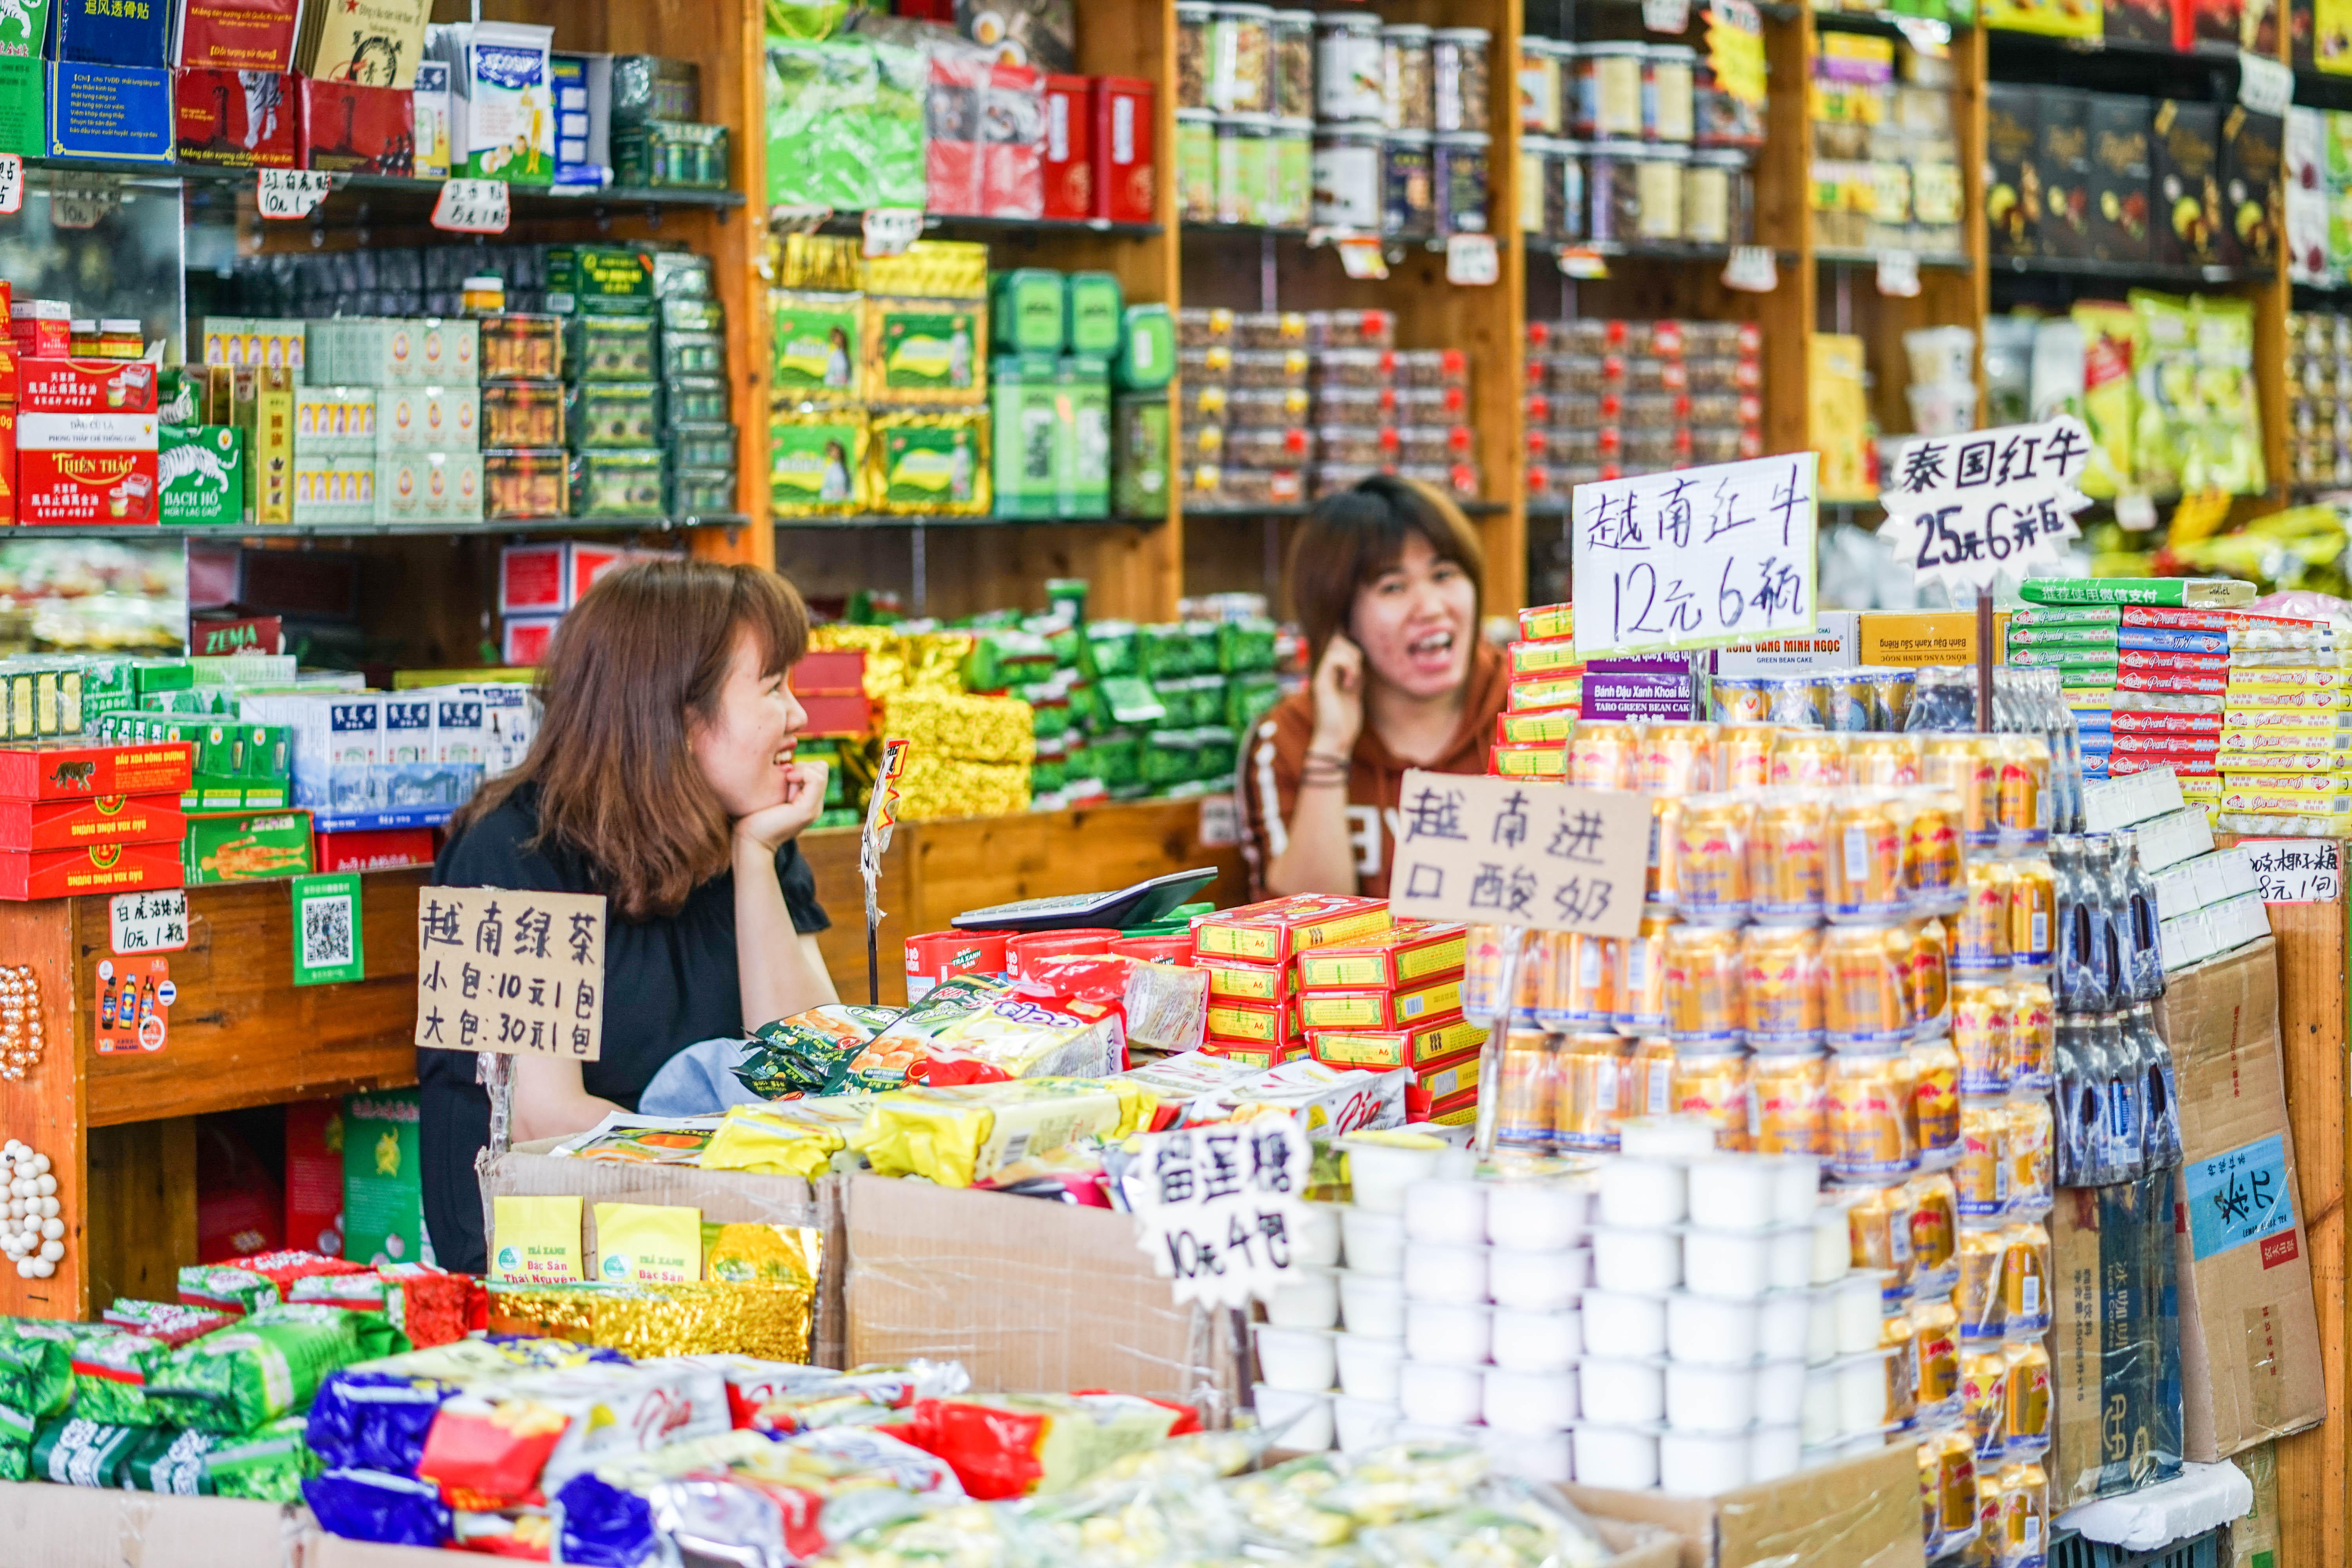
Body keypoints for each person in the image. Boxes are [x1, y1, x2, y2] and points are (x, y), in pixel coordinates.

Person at [419, 559, 837, 1272]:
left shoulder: (749, 833)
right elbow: (538, 1121)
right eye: (772, 687)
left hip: (719, 1233)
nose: (798, 714)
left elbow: (810, 1072)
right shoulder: (501, 853)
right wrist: (750, 1166)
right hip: (553, 1258)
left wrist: (758, 856)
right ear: (675, 712)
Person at [1236, 475, 1508, 900]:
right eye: (1393, 587)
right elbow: (1308, 923)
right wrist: (1331, 747)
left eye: (1444, 574)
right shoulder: (1291, 737)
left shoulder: (1534, 707)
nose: (1432, 608)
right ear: (1341, 619)